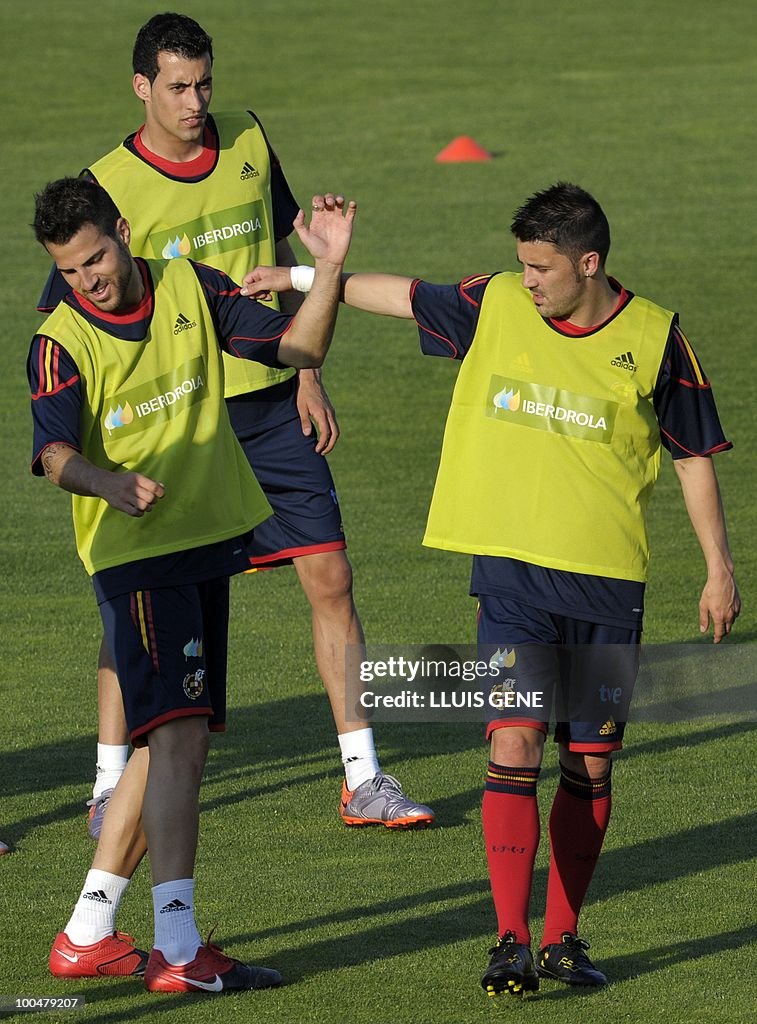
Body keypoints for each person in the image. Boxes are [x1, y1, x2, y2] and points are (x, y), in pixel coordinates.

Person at [246, 183, 740, 994]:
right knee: (513, 741)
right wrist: (309, 276)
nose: (527, 280)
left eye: (541, 267)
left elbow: (692, 455)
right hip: (511, 576)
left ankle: (564, 939)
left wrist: (718, 568)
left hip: (608, 582)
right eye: (521, 264)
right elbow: (406, 297)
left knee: (590, 766)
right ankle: (508, 938)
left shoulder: (655, 338)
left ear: (588, 263)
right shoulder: (498, 302)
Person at [38, 11, 433, 836]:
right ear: (142, 86)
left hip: (267, 398)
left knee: (330, 573)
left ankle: (362, 776)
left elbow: (298, 255)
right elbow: (72, 316)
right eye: (177, 87)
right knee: (135, 608)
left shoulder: (249, 139)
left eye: (204, 82)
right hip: (175, 424)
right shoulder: (105, 184)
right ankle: (111, 785)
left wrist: (311, 377)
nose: (195, 101)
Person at [29, 177, 354, 992]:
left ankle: (88, 930)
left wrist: (333, 271)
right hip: (136, 556)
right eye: (69, 271)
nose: (88, 280)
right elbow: (52, 452)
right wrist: (105, 483)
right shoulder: (59, 340)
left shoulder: (190, 286)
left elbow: (299, 350)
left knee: (174, 739)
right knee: (177, 740)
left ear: (124, 232)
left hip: (207, 543)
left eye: (96, 258)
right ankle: (178, 947)